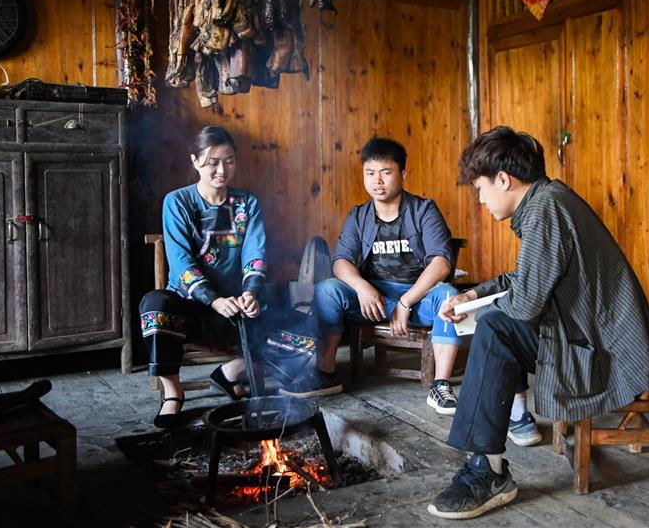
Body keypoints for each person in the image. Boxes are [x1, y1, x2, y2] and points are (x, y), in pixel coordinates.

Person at [427, 126, 649, 519]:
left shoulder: (546, 210)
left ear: (503, 179)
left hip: (607, 354)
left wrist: (481, 310)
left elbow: (526, 304)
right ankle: (490, 459)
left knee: (496, 329)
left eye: (480, 188)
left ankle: (488, 470)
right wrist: (473, 295)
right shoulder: (548, 200)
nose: (480, 199)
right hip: (598, 337)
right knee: (496, 326)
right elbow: (527, 279)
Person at [139, 125, 317, 429]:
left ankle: (230, 372)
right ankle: (173, 394)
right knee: (154, 305)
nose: (222, 170)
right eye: (213, 162)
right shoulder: (178, 202)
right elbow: (180, 264)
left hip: (237, 309)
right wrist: (214, 300)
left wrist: (251, 294)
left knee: (308, 328)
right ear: (195, 161)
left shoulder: (247, 203)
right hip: (191, 309)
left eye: (229, 161)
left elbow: (255, 253)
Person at [281, 137, 462, 412]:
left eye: (386, 172)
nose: (377, 181)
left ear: (403, 174)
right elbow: (341, 261)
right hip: (374, 300)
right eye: (370, 173)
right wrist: (361, 287)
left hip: (418, 299)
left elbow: (441, 263)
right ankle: (325, 374)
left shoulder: (424, 210)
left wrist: (406, 302)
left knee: (449, 296)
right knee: (327, 290)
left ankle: (441, 386)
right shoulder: (359, 216)